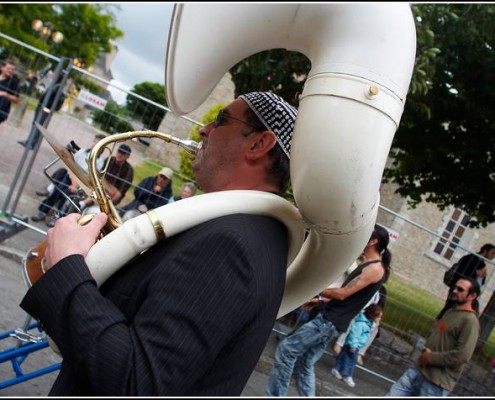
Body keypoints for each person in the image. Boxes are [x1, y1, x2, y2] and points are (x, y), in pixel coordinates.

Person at [19, 91, 297, 395]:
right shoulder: (248, 232)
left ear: (259, 144)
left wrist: (66, 265)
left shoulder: (231, 245)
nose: (204, 129)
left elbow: (136, 382)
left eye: (220, 120)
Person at [266, 224, 392, 397]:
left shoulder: (375, 268)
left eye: (366, 233)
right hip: (331, 320)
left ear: (374, 241)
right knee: (304, 363)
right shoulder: (368, 264)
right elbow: (347, 297)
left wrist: (313, 287)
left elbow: (343, 294)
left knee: (287, 350)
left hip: (329, 321)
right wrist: (319, 300)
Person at [386, 277, 481, 397]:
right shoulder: (450, 312)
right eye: (455, 287)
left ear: (472, 296)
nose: (455, 291)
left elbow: (462, 355)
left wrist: (430, 357)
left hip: (436, 382)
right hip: (419, 370)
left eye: (460, 289)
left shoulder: (470, 321)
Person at [31, 134, 106, 226]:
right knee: (60, 185)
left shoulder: (100, 162)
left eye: (98, 143)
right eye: (94, 141)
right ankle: (43, 211)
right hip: (71, 177)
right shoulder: (82, 152)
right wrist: (73, 182)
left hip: (81, 184)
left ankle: (56, 216)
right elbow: (71, 165)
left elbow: (89, 176)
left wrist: (76, 185)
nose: (95, 144)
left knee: (66, 194)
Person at [333, 277, 388, 366]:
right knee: (353, 321)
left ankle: (360, 352)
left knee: (375, 329)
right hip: (359, 309)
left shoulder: (382, 291)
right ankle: (339, 344)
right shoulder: (367, 283)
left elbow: (380, 306)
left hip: (370, 313)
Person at [330, 303, 384, 388]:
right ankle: (347, 375)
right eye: (379, 317)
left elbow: (373, 327)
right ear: (373, 316)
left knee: (343, 356)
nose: (380, 319)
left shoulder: (368, 323)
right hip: (353, 345)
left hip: (353, 344)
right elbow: (354, 334)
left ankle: (336, 369)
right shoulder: (361, 324)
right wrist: (354, 346)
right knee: (352, 361)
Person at [436, 243, 495, 319]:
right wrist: (476, 272)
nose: (493, 256)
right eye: (492, 253)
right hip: (458, 288)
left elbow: (479, 282)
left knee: (460, 312)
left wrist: (482, 277)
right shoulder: (470, 258)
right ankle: (439, 325)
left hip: (469, 293)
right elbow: (461, 272)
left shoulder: (482, 264)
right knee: (449, 308)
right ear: (485, 251)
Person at [18, 71, 66, 150]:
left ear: (58, 77)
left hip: (44, 109)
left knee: (37, 126)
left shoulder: (57, 87)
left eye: (56, 75)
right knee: (36, 125)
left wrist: (47, 105)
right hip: (42, 107)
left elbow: (53, 99)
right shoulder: (55, 85)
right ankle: (29, 142)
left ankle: (31, 143)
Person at [79, 143, 134, 210]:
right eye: (119, 151)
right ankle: (83, 203)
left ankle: (83, 203)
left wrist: (106, 205)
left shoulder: (129, 170)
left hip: (111, 195)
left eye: (123, 153)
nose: (120, 154)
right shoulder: (109, 160)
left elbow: (119, 193)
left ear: (127, 156)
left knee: (104, 191)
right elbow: (98, 175)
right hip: (100, 186)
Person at [0, 58, 20, 125]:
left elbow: (17, 100)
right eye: (8, 68)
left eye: (12, 69)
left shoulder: (13, 83)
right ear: (2, 68)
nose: (10, 71)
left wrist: (5, 94)